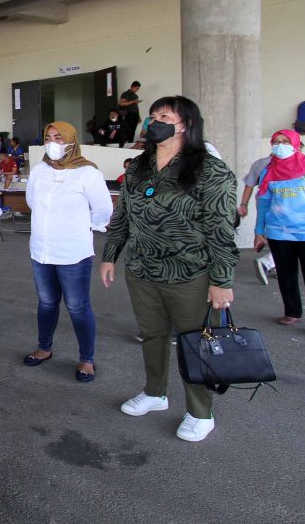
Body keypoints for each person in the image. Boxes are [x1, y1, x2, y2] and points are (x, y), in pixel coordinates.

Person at [100, 96, 238, 443]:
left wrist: (221, 280)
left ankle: (200, 411)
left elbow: (221, 229)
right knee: (153, 335)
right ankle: (155, 393)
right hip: (143, 270)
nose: (154, 122)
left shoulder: (209, 169)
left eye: (164, 116)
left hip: (190, 274)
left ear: (185, 125)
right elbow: (123, 215)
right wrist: (110, 255)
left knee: (196, 343)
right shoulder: (138, 167)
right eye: (152, 116)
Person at [23, 122, 113, 382]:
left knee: (77, 305)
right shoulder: (39, 170)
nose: (53, 143)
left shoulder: (87, 173)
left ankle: (86, 359)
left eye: (59, 138)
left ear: (72, 141)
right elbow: (31, 201)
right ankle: (44, 347)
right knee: (47, 302)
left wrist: (83, 227)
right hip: (41, 250)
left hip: (73, 252)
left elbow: (103, 210)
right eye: (48, 137)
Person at [254, 129, 305, 339]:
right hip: (278, 232)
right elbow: (263, 204)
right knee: (285, 274)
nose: (279, 145)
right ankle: (292, 312)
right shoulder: (267, 171)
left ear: (296, 144)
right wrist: (258, 231)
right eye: (276, 141)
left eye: (284, 141)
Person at [239, 153, 276, 284]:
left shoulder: (260, 163)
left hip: (264, 203)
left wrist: (244, 204)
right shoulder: (264, 164)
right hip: (282, 207)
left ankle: (276, 264)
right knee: (289, 239)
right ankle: (268, 262)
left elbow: (249, 185)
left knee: (274, 235)